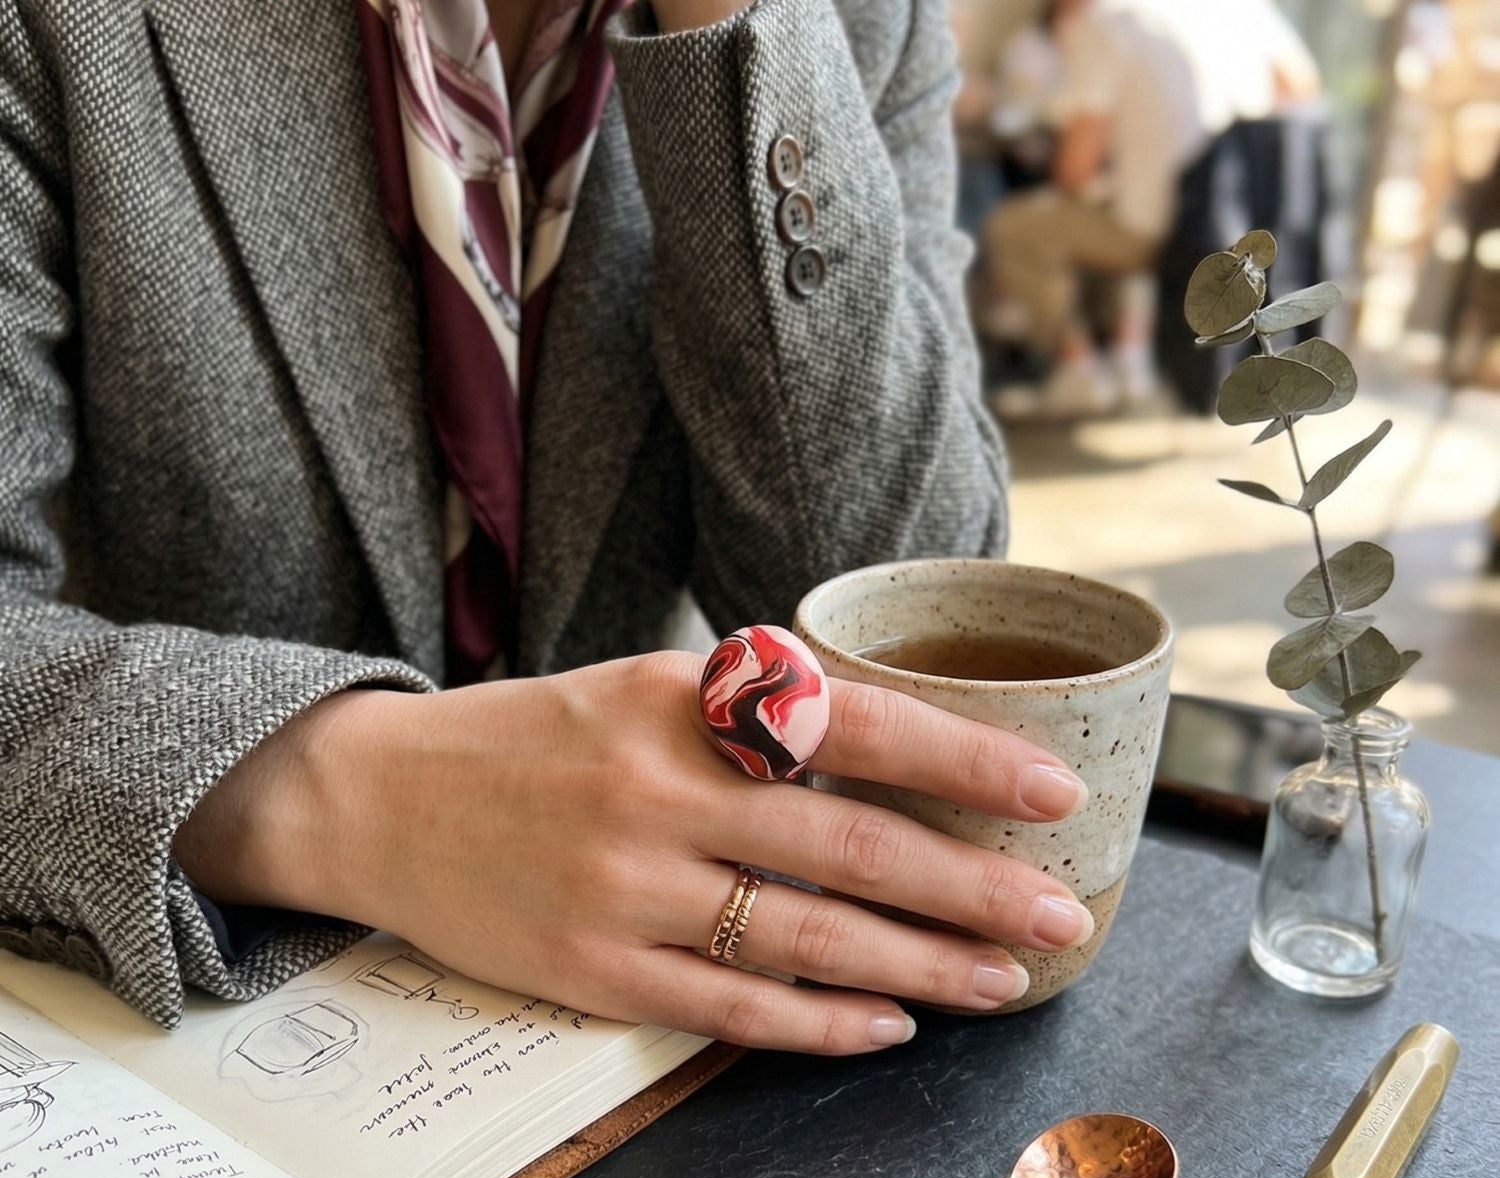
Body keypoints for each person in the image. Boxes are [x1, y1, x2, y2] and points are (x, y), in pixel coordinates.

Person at [0, 0, 1098, 1059]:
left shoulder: (864, 19)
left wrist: (739, 42)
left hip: (637, 1067)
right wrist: (363, 797)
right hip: (192, 1053)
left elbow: (901, 609)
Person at [982, 0, 1320, 417]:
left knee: (1017, 226)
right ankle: (1129, 359)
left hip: (1165, 226)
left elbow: (1073, 169)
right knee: (1118, 208)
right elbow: (1301, 86)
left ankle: (1078, 368)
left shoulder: (1107, 25)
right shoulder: (1229, 14)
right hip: (1236, 222)